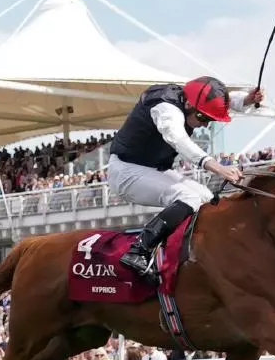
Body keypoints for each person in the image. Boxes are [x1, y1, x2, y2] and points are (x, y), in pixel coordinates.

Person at [107, 75, 264, 280]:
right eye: (203, 118)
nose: (204, 125)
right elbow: (178, 139)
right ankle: (139, 250)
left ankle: (190, 254)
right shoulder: (166, 109)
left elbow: (220, 100)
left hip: (150, 169)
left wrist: (247, 100)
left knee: (207, 198)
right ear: (188, 104)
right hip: (126, 172)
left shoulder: (189, 98)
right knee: (188, 197)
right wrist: (218, 168)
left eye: (209, 120)